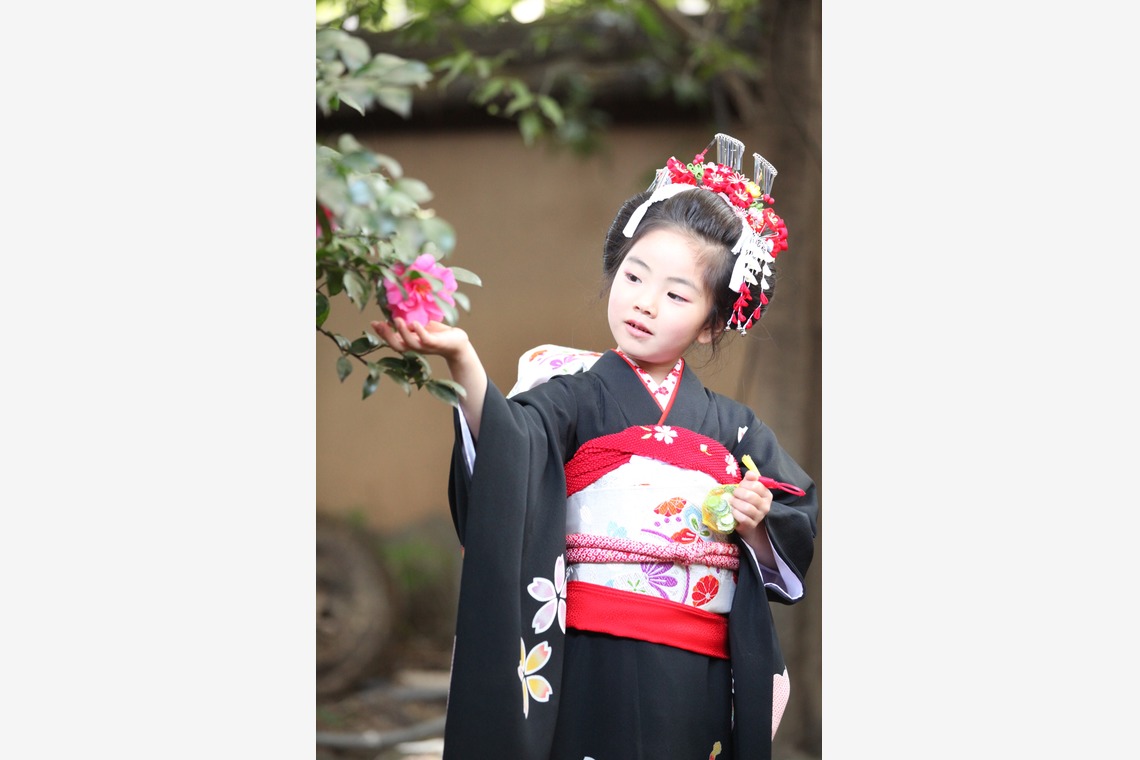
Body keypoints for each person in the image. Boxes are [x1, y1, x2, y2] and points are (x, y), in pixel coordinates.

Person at [372, 134, 818, 760]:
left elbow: (793, 514)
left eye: (676, 294)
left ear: (713, 321)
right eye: (633, 276)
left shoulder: (736, 429)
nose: (644, 302)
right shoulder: (572, 394)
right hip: (587, 654)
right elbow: (512, 443)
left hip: (696, 671)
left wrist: (756, 518)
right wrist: (463, 360)